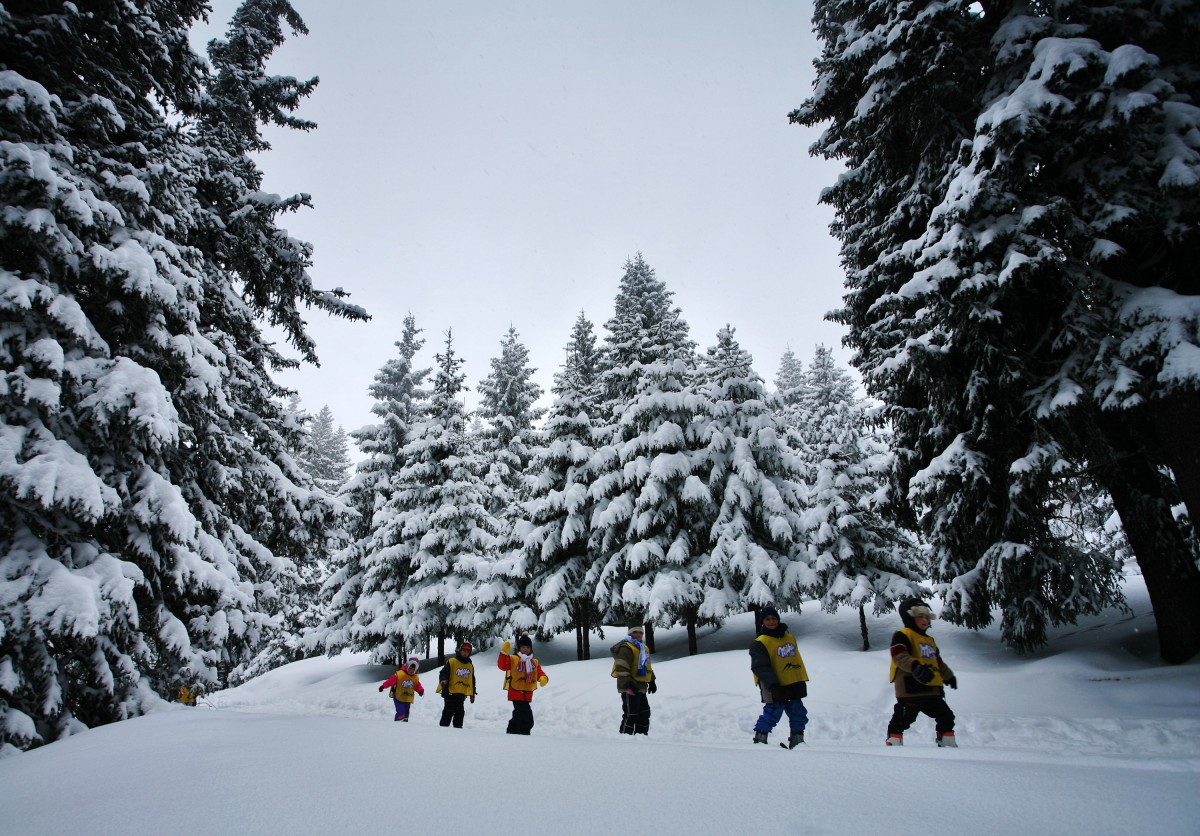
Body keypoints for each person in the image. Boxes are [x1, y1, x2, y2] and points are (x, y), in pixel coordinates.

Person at [886, 597, 958, 747]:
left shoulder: (929, 640)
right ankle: (894, 740)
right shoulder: (903, 635)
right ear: (910, 617)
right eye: (920, 616)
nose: (925, 620)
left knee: (946, 716)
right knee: (904, 717)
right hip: (910, 688)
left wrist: (948, 676)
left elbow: (936, 662)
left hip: (932, 689)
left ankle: (947, 742)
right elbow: (899, 656)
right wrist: (915, 667)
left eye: (927, 617)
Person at [749, 605, 809, 749]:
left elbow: (795, 660)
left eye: (774, 618)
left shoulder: (789, 637)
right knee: (773, 711)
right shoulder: (760, 643)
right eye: (768, 619)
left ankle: (798, 741)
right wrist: (773, 685)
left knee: (798, 712)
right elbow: (760, 667)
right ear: (763, 622)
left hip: (792, 682)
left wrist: (800, 680)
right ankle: (760, 739)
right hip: (773, 685)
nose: (771, 621)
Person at [497, 634, 549, 735]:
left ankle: (512, 730)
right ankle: (524, 734)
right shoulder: (513, 659)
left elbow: (539, 672)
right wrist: (503, 653)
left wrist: (543, 678)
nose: (525, 649)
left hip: (527, 694)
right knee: (528, 718)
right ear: (519, 648)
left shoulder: (534, 662)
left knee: (518, 715)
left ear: (531, 649)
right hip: (516, 692)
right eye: (523, 647)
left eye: (528, 647)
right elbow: (502, 666)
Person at [610, 622, 656, 736]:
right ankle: (626, 740)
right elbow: (622, 667)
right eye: (635, 632)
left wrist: (652, 680)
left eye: (641, 632)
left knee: (644, 713)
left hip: (640, 686)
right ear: (630, 633)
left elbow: (647, 665)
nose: (639, 634)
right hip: (628, 687)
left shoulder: (643, 648)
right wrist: (627, 684)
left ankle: (641, 738)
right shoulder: (626, 647)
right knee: (631, 714)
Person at [436, 641, 477, 728]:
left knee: (460, 713)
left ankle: (457, 731)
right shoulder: (452, 661)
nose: (465, 653)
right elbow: (444, 672)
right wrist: (443, 680)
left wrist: (472, 693)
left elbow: (472, 680)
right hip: (450, 692)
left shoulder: (470, 665)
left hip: (461, 693)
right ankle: (442, 729)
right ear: (460, 650)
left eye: (467, 651)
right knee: (448, 711)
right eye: (464, 650)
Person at [378, 656, 425, 722]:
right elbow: (390, 681)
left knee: (406, 714)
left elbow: (417, 685)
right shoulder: (400, 674)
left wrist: (420, 690)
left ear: (416, 670)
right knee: (401, 713)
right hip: (398, 696)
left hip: (407, 698)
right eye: (410, 668)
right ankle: (397, 725)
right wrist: (383, 686)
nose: (411, 671)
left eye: (413, 669)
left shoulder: (415, 678)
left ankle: (404, 726)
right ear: (407, 666)